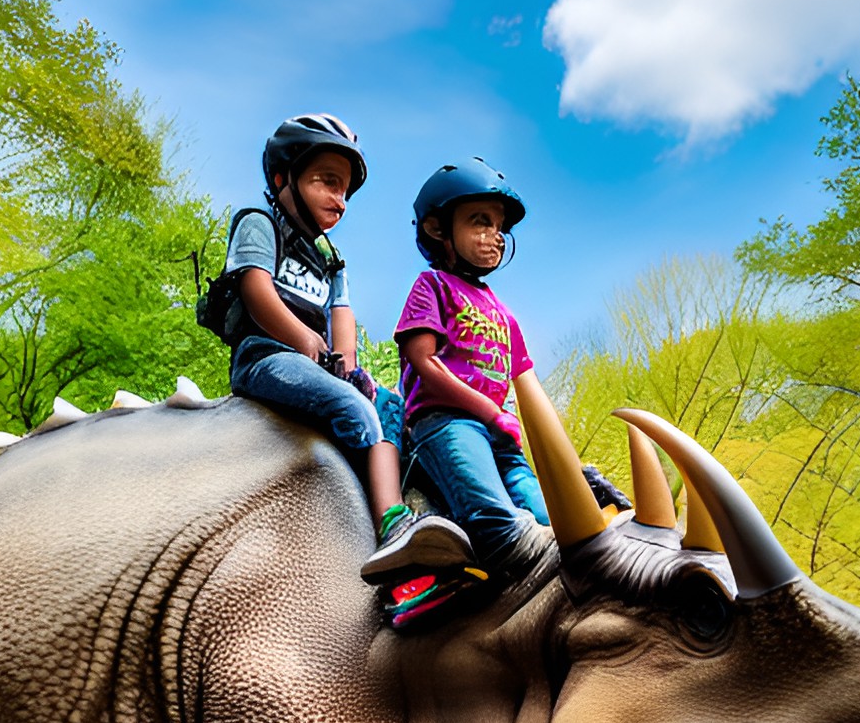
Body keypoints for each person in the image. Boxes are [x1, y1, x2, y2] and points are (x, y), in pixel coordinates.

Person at [216, 113, 473, 584]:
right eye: (326, 182)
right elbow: (256, 288)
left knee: (392, 408)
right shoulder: (258, 223)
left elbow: (342, 321)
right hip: (266, 357)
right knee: (353, 410)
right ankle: (390, 531)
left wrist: (351, 367)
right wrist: (304, 341)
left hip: (313, 362)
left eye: (345, 190)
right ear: (282, 178)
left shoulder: (332, 259)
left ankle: (446, 517)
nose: (339, 199)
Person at [394, 158, 628, 614]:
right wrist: (488, 411)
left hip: (502, 431)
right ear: (439, 229)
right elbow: (423, 362)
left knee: (553, 520)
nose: (495, 234)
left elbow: (529, 390)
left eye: (499, 225)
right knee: (500, 524)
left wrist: (574, 474)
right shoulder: (432, 286)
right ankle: (431, 575)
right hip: (447, 423)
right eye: (480, 221)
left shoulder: (504, 314)